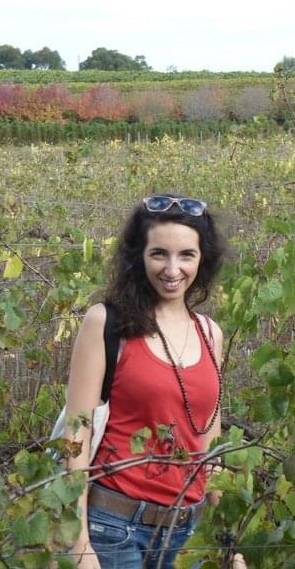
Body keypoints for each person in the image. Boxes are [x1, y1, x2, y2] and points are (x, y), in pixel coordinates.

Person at [64, 195, 225, 569]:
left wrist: (226, 540)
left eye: (186, 255)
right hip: (114, 528)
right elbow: (76, 435)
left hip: (188, 535)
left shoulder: (210, 334)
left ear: (203, 259)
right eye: (159, 254)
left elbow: (210, 445)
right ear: (138, 256)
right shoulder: (107, 323)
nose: (172, 269)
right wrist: (79, 544)